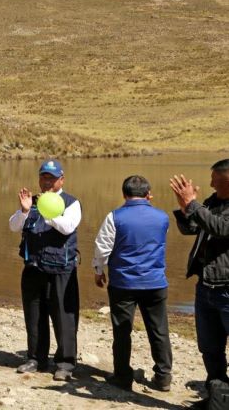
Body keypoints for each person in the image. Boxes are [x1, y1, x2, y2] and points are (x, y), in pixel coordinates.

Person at [93, 175, 172, 392]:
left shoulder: (114, 217)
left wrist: (99, 270)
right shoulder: (162, 217)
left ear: (124, 194)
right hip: (155, 282)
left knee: (122, 331)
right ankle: (163, 377)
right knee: (159, 330)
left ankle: (123, 376)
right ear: (149, 194)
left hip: (123, 283)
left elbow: (102, 247)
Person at [9, 159, 82, 381]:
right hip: (33, 269)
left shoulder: (71, 203)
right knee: (34, 316)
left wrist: (48, 212)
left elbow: (68, 226)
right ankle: (35, 359)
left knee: (64, 318)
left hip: (61, 270)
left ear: (62, 179)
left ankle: (65, 364)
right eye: (43, 177)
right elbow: (13, 225)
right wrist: (24, 211)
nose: (47, 181)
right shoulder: (32, 202)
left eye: (51, 178)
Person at [171, 159, 229, 403]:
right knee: (209, 347)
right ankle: (217, 397)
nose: (210, 182)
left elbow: (221, 228)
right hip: (205, 287)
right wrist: (185, 208)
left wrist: (192, 204)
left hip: (227, 289)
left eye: (215, 178)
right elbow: (193, 227)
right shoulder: (212, 202)